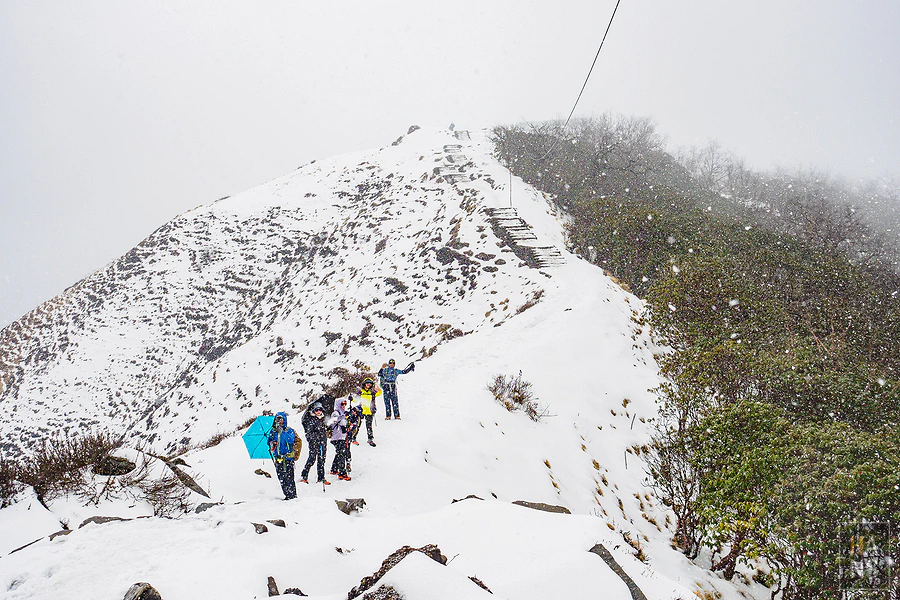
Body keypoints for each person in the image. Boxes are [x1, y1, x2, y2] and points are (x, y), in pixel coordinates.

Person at [267, 412, 300, 499]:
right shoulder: (273, 431)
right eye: (277, 419)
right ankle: (287, 494)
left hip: (288, 458)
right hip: (278, 458)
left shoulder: (289, 430)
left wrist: (282, 432)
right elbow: (269, 441)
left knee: (289, 477)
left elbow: (290, 440)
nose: (279, 421)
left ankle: (293, 495)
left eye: (281, 419)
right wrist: (272, 443)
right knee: (281, 478)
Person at [300, 400, 331, 485]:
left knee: (321, 460)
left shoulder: (323, 419)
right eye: (316, 410)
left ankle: (321, 478)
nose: (318, 412)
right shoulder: (311, 420)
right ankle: (304, 476)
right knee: (312, 459)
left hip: (323, 443)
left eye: (320, 410)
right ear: (314, 411)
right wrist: (316, 436)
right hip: (314, 443)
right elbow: (309, 433)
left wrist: (326, 430)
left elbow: (326, 430)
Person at [328, 398, 352, 481]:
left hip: (341, 436)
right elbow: (334, 420)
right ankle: (342, 473)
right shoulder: (336, 413)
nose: (344, 406)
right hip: (337, 437)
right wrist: (343, 417)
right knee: (341, 453)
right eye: (342, 404)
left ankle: (334, 469)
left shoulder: (342, 413)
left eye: (345, 404)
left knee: (339, 453)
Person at [352, 377, 381, 447]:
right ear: (364, 384)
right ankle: (353, 438)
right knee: (357, 425)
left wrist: (378, 389)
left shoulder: (372, 392)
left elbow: (379, 393)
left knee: (369, 426)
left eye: (370, 384)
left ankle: (370, 439)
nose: (368, 385)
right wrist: (351, 399)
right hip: (361, 411)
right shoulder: (361, 392)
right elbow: (356, 399)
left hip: (370, 411)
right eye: (367, 383)